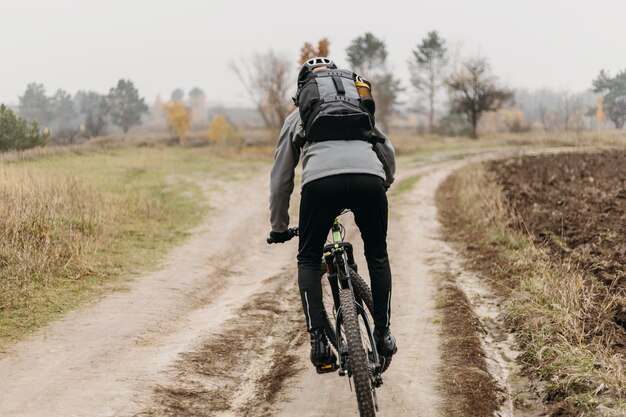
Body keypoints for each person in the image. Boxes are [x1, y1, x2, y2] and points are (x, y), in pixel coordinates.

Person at [268, 57, 397, 372]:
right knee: (377, 254)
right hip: (370, 181)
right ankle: (383, 333)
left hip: (320, 185)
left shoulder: (299, 115)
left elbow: (281, 178)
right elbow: (386, 151)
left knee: (309, 259)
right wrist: (384, 181)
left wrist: (280, 227)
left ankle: (319, 342)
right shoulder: (357, 106)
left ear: (305, 91)